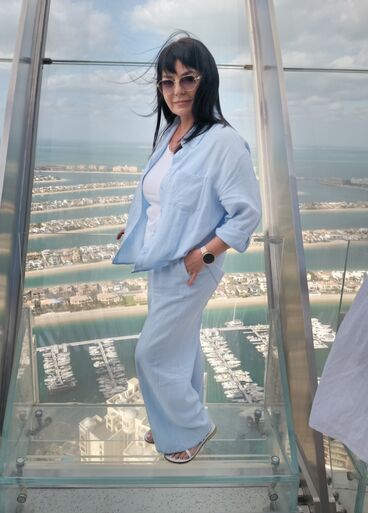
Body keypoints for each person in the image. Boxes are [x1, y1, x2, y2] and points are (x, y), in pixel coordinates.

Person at [112, 33, 262, 463]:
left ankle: (194, 426)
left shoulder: (224, 143)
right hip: (161, 260)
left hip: (193, 267)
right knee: (180, 347)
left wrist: (205, 254)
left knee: (151, 353)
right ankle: (171, 423)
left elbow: (246, 214)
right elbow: (162, 198)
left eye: (188, 78)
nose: (176, 90)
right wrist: (136, 229)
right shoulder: (171, 133)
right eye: (167, 81)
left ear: (206, 80)